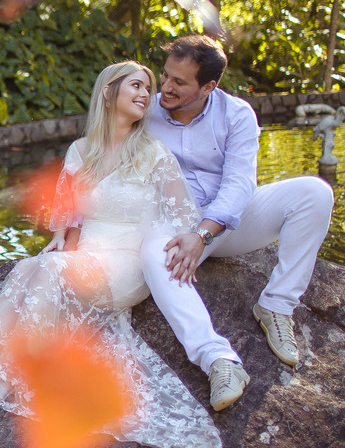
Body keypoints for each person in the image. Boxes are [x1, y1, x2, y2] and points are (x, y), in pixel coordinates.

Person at [0, 61, 223, 448]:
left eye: (148, 88)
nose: (146, 94)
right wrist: (60, 239)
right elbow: (69, 214)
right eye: (136, 86)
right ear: (108, 93)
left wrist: (181, 247)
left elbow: (181, 219)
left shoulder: (154, 154)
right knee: (27, 267)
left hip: (128, 264)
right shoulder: (81, 150)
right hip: (87, 256)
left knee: (48, 269)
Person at [142, 35, 334, 410]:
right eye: (165, 76)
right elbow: (99, 157)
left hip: (225, 226)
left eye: (179, 83)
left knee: (315, 192)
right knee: (152, 253)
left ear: (209, 86)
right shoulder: (144, 111)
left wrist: (204, 232)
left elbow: (240, 183)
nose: (165, 87)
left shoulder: (237, 114)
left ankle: (276, 305)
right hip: (172, 228)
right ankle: (219, 359)